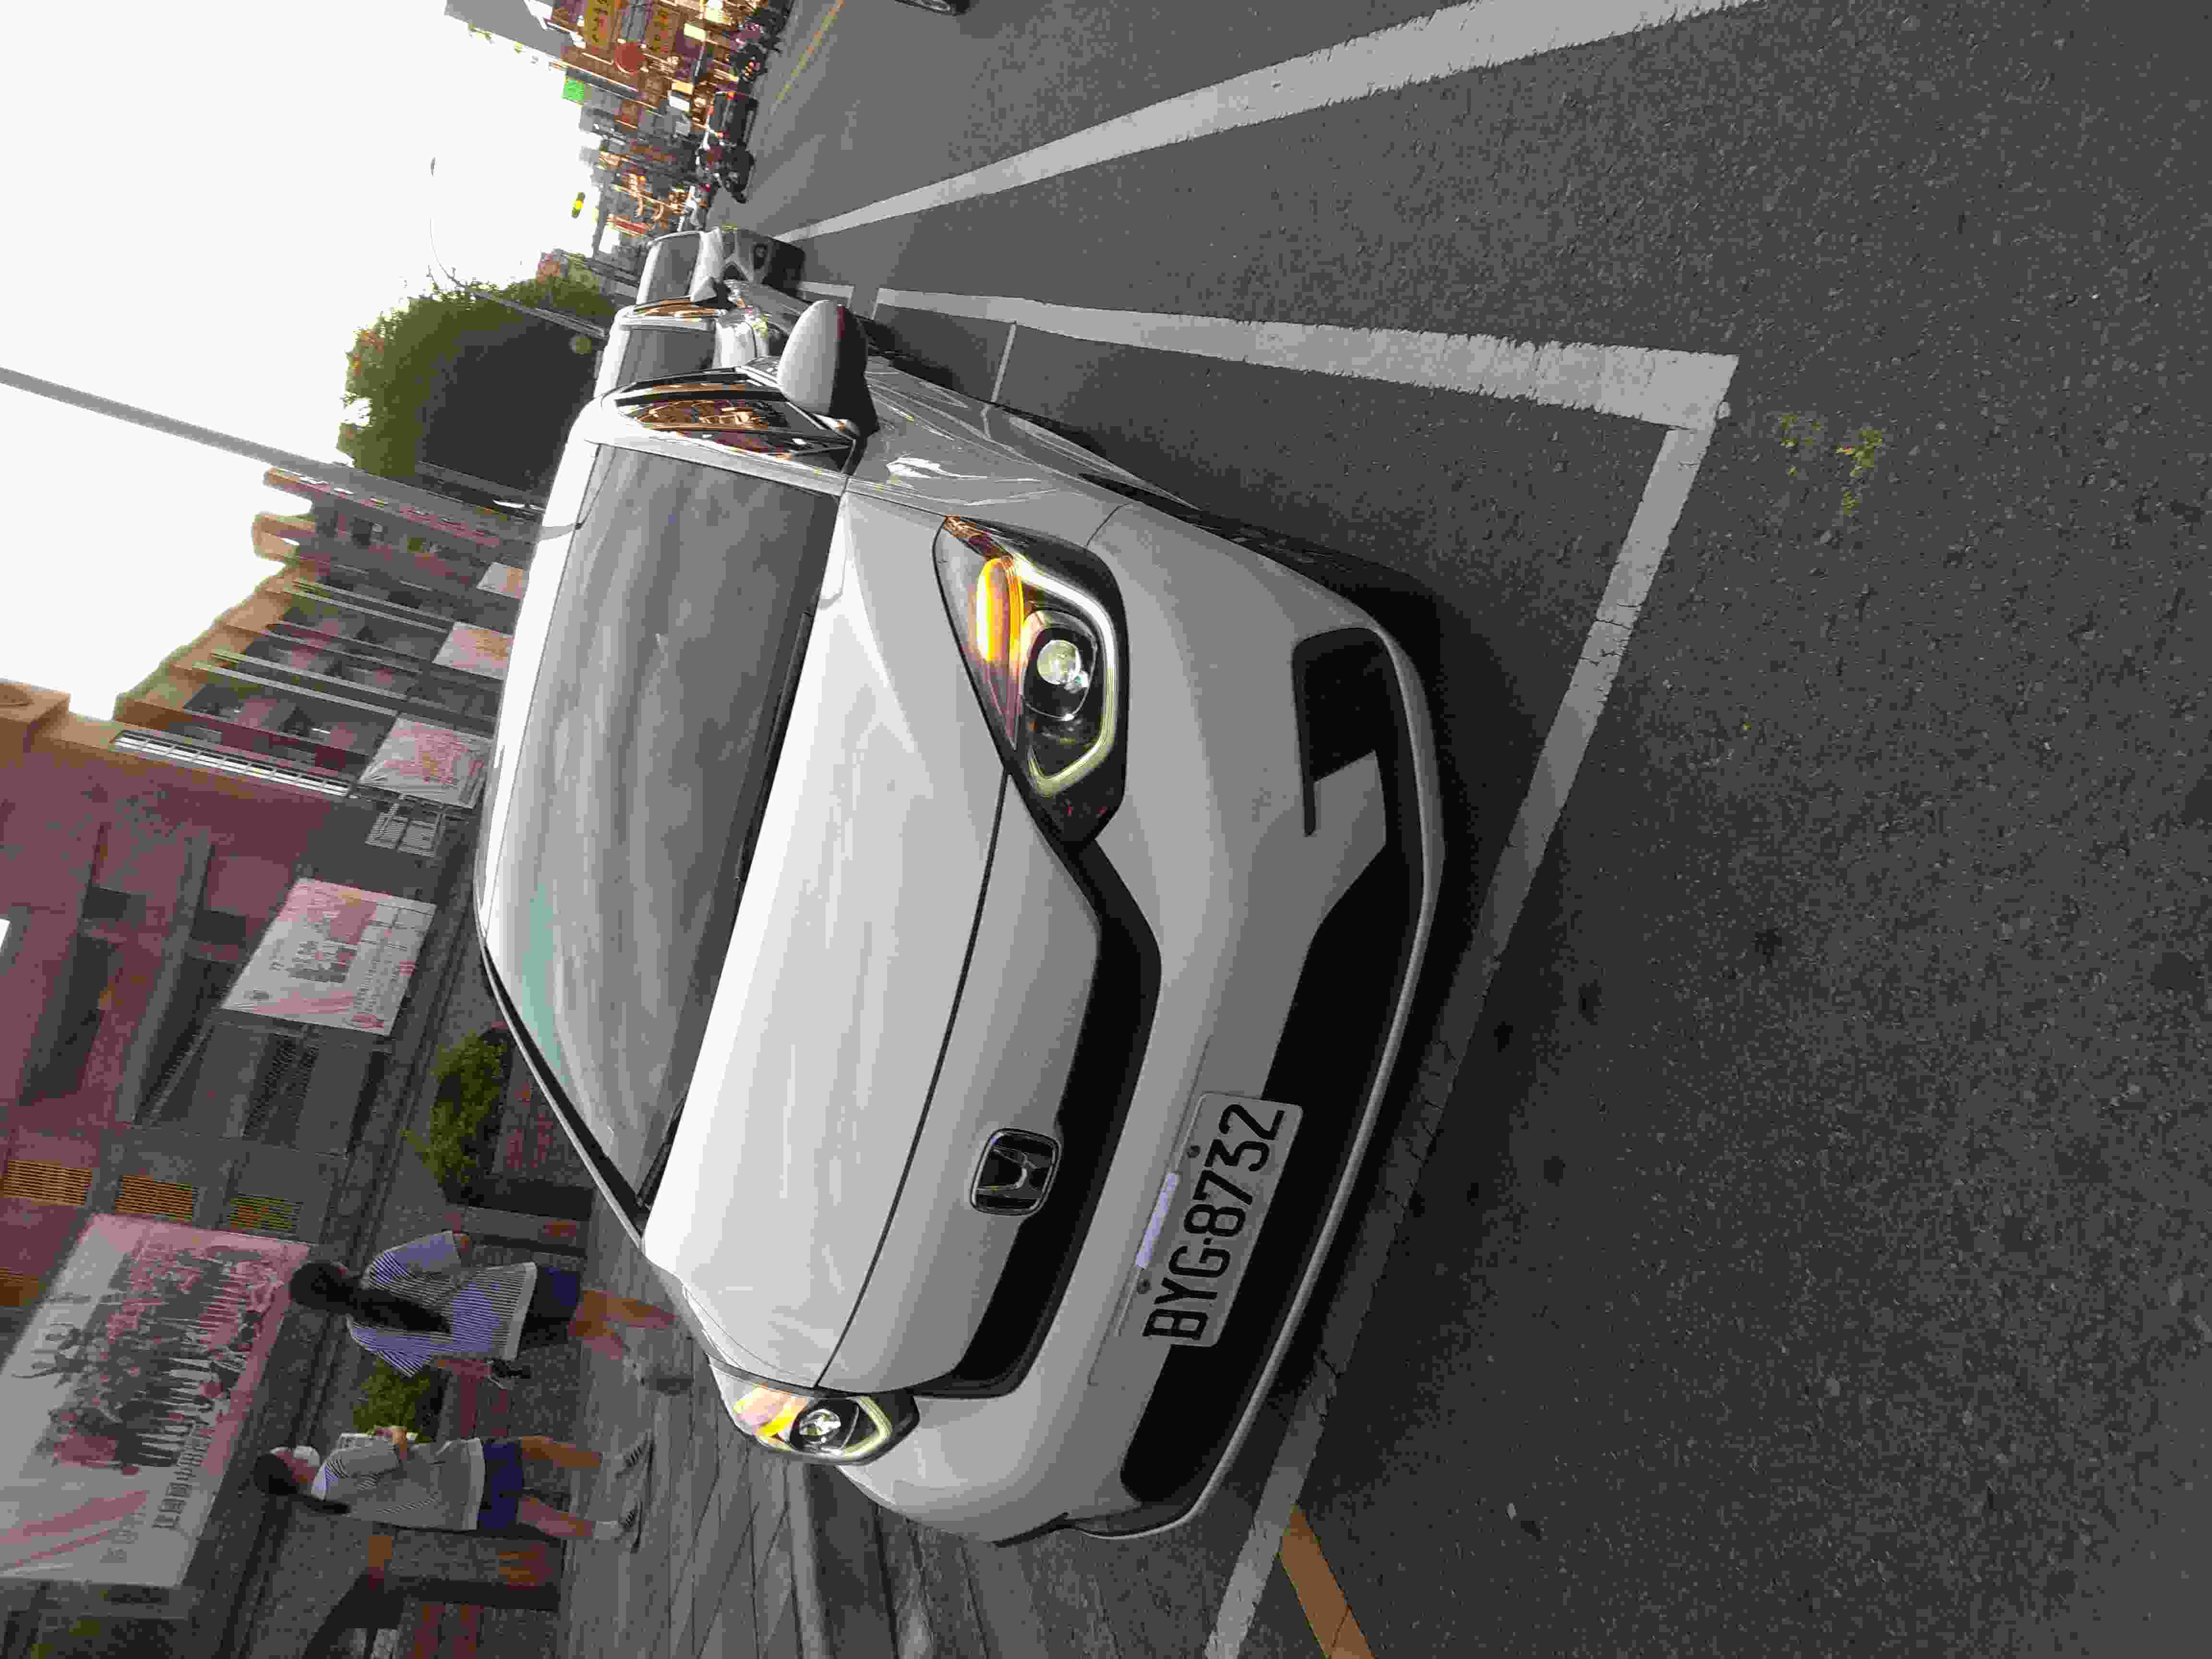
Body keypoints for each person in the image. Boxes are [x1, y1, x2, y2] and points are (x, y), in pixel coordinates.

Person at [286, 1229, 678, 1383]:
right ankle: (680, 1325)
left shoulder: (364, 1335)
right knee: (602, 1305)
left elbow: (435, 1359)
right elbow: (459, 1244)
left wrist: (486, 1370)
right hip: (510, 1291)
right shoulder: (384, 1267)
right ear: (337, 1271)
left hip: (499, 1340)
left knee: (581, 1327)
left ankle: (633, 1362)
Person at [249, 1425, 653, 1542]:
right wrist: (393, 1431)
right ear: (291, 1470)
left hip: (453, 1511)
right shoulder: (336, 1465)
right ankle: (614, 1465)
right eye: (287, 1454)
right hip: (456, 1469)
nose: (295, 1450)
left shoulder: (323, 1502)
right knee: (537, 1447)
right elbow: (399, 1453)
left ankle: (613, 1531)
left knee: (532, 1513)